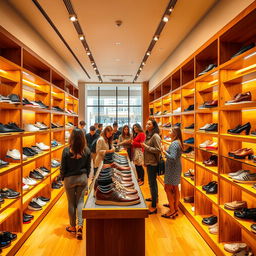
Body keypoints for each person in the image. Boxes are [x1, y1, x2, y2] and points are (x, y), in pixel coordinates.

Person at [60, 128, 91, 240]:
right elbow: (88, 167)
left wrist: (62, 177)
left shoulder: (66, 150)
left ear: (71, 137)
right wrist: (86, 177)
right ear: (83, 137)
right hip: (82, 178)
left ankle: (72, 226)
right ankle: (80, 226)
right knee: (81, 202)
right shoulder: (86, 150)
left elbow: (63, 167)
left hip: (69, 179)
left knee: (71, 203)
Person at [161, 126, 183, 219]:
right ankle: (175, 207)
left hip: (172, 168)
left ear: (175, 133)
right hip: (176, 167)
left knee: (167, 188)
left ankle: (172, 210)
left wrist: (164, 151)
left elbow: (173, 157)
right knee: (175, 187)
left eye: (170, 130)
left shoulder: (174, 144)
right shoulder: (178, 142)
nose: (168, 132)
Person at [141, 119, 161, 214]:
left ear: (153, 126)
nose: (147, 125)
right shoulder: (149, 135)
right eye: (146, 123)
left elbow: (158, 150)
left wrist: (146, 146)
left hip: (153, 163)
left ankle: (153, 206)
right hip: (149, 162)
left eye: (149, 124)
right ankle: (155, 198)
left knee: (152, 183)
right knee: (152, 182)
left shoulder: (155, 136)